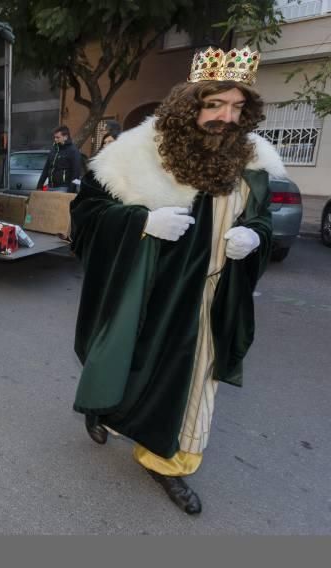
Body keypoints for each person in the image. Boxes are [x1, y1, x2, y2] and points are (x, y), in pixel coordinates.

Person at [69, 46, 284, 515]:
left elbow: (264, 220)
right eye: (214, 104)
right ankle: (102, 406)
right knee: (126, 363)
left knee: (194, 384)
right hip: (150, 293)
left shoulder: (251, 163)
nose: (226, 117)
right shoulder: (136, 155)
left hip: (212, 295)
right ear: (191, 103)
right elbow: (86, 215)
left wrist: (255, 235)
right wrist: (140, 223)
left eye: (237, 107)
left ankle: (169, 462)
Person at [36, 125, 82, 192]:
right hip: (50, 186)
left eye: (58, 137)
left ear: (65, 137)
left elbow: (76, 173)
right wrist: (39, 186)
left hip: (63, 188)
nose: (55, 139)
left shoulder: (73, 151)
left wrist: (71, 191)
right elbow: (46, 169)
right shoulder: (53, 150)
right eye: (54, 137)